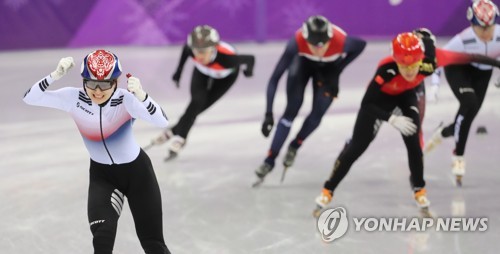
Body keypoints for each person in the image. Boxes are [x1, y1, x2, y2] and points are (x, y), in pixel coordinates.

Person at [314, 30, 500, 216]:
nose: (410, 71)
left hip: (405, 97)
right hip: (378, 101)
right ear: (396, 61)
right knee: (357, 147)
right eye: (404, 66)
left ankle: (419, 189)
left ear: (422, 59)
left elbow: (472, 57)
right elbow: (366, 103)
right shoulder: (386, 68)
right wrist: (391, 118)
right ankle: (328, 190)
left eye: (414, 65)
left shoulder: (433, 60)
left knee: (414, 143)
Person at [23, 50, 171, 254]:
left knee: (153, 243)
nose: (98, 91)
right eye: (92, 84)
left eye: (105, 84)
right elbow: (30, 98)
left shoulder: (127, 100)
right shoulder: (73, 98)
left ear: (115, 83)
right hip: (103, 177)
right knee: (102, 239)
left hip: (138, 175)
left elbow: (162, 121)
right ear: (84, 81)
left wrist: (143, 96)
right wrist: (54, 76)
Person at [253, 15, 367, 186]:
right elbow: (274, 79)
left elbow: (361, 46)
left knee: (318, 112)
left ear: (330, 39)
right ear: (307, 40)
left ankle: (295, 144)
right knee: (291, 110)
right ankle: (270, 159)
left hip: (329, 69)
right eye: (314, 46)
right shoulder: (296, 43)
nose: (319, 50)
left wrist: (338, 68)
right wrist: (268, 113)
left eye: (323, 45)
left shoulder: (341, 41)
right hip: (303, 65)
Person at [149, 25, 255, 160]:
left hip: (225, 77)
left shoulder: (228, 59)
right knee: (196, 103)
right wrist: (178, 72)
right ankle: (181, 137)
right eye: (196, 51)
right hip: (202, 71)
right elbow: (186, 50)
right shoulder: (192, 51)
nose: (199, 55)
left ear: (213, 49)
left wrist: (248, 71)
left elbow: (250, 59)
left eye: (204, 52)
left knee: (199, 108)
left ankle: (173, 131)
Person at [425, 0, 500, 186]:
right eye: (481, 28)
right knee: (470, 103)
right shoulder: (462, 40)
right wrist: (434, 85)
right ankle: (458, 156)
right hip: (458, 70)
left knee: (467, 117)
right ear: (472, 24)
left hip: (483, 72)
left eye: (489, 27)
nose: (486, 33)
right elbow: (438, 59)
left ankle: (443, 133)